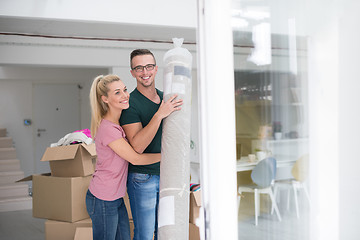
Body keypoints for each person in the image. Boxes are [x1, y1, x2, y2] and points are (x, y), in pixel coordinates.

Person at [86, 74, 161, 240]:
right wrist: (166, 155)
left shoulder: (117, 125)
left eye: (125, 90)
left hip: (116, 197)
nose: (126, 95)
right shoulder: (108, 129)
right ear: (105, 99)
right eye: (117, 93)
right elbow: (136, 159)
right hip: (103, 199)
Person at [119, 49, 183, 240]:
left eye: (148, 66)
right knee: (145, 235)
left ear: (156, 69)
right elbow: (137, 146)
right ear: (132, 72)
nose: (144, 72)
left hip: (168, 175)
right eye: (139, 68)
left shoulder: (167, 98)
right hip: (143, 177)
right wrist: (159, 114)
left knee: (164, 232)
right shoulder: (130, 104)